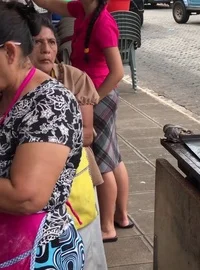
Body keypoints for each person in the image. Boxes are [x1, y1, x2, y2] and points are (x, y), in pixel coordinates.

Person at [33, 0, 133, 242]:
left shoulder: (103, 23)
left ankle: (107, 227)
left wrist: (94, 99)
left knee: (102, 162)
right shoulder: (81, 9)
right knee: (114, 157)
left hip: (100, 96)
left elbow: (118, 71)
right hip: (92, 94)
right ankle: (122, 216)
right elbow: (50, 4)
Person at [0, 2, 84, 269]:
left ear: (10, 52)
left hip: (39, 252)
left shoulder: (51, 103)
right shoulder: (5, 91)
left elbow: (25, 196)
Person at [29, 15, 108, 270]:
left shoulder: (73, 79)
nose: (46, 49)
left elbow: (87, 134)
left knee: (86, 250)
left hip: (76, 180)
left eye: (51, 42)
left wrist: (42, 149)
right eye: (37, 42)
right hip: (36, 188)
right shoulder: (16, 85)